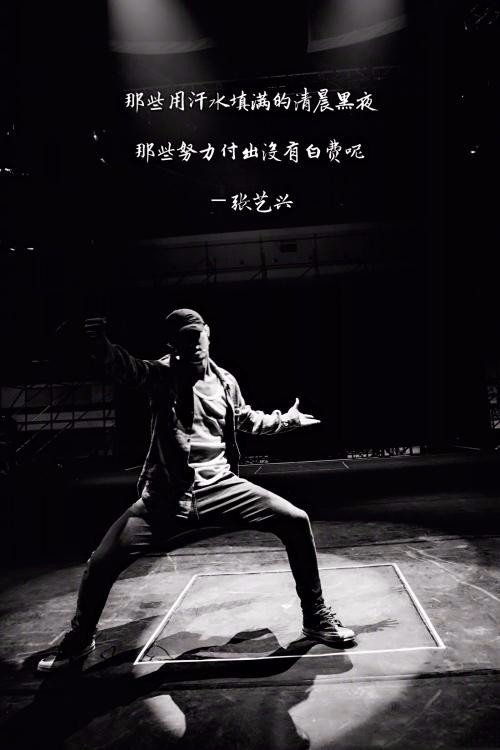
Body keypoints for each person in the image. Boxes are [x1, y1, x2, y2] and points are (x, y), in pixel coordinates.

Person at [38, 309, 355, 672]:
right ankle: (80, 639)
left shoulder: (225, 381)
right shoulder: (160, 375)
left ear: (208, 334)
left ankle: (315, 618)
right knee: (100, 563)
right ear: (171, 345)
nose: (192, 345)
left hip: (222, 488)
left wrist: (286, 420)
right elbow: (125, 367)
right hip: (166, 498)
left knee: (296, 521)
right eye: (183, 340)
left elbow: (246, 419)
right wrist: (99, 343)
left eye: (196, 336)